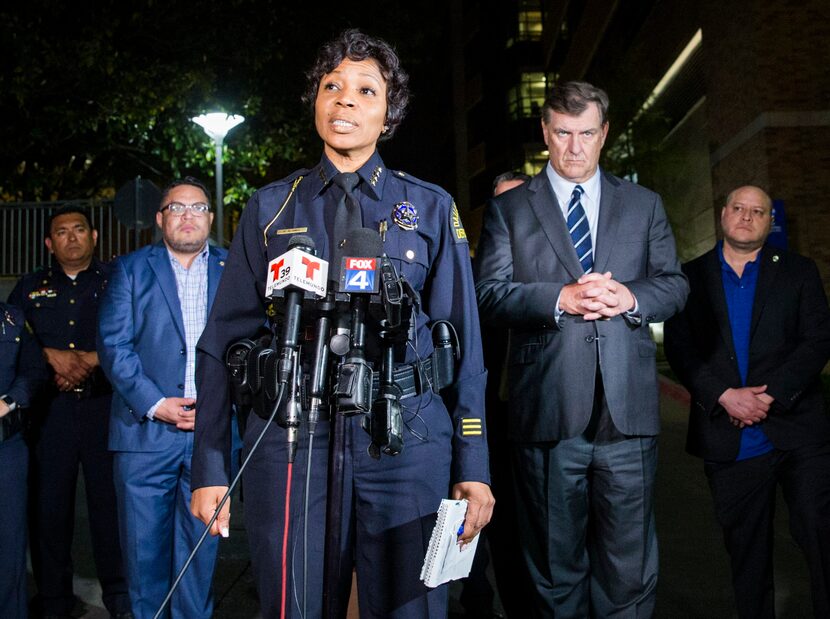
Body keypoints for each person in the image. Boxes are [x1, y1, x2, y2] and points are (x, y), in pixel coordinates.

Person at [190, 28, 494, 619]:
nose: (345, 100)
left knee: (411, 607)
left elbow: (464, 344)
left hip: (404, 440)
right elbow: (222, 341)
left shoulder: (430, 208)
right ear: (314, 103)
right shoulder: (271, 208)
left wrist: (473, 464)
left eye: (364, 89)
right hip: (293, 438)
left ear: (389, 113)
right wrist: (209, 467)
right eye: (331, 86)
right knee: (291, 606)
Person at [474, 80, 688, 617]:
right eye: (563, 134)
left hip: (627, 416)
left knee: (629, 570)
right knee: (553, 569)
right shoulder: (511, 210)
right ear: (545, 132)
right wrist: (561, 298)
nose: (574, 148)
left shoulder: (643, 204)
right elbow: (489, 294)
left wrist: (628, 295)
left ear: (604, 133)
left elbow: (675, 286)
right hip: (547, 412)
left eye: (586, 134)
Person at [664, 185, 830, 618]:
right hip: (729, 439)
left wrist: (769, 396)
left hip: (798, 433)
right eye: (738, 208)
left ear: (768, 222)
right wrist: (723, 395)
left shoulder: (799, 271)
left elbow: (817, 341)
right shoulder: (689, 277)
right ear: (723, 215)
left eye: (758, 211)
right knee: (747, 554)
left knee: (820, 532)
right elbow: (681, 348)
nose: (746, 216)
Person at [97, 177, 228, 619]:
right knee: (143, 559)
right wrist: (157, 403)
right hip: (145, 435)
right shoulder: (130, 269)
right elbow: (114, 346)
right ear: (160, 218)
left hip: (211, 439)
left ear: (211, 217)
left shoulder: (234, 271)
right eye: (177, 208)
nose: (188, 216)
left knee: (200, 556)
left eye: (198, 208)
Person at [8, 206, 131, 619]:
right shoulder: (28, 288)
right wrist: (49, 355)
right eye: (61, 232)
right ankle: (54, 600)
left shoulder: (117, 281)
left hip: (104, 409)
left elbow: (136, 333)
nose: (72, 237)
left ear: (94, 236)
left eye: (79, 229)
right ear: (49, 242)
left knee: (109, 507)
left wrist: (92, 359)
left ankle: (120, 596)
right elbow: (11, 346)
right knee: (48, 510)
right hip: (50, 414)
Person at [462, 170, 532, 619]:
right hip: (478, 424)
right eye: (500, 205)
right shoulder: (466, 270)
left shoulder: (555, 274)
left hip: (533, 424)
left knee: (522, 537)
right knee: (471, 536)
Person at [1, 301, 48, 619]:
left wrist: (9, 401)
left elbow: (34, 370)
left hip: (6, 448)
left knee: (9, 544)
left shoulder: (13, 319)